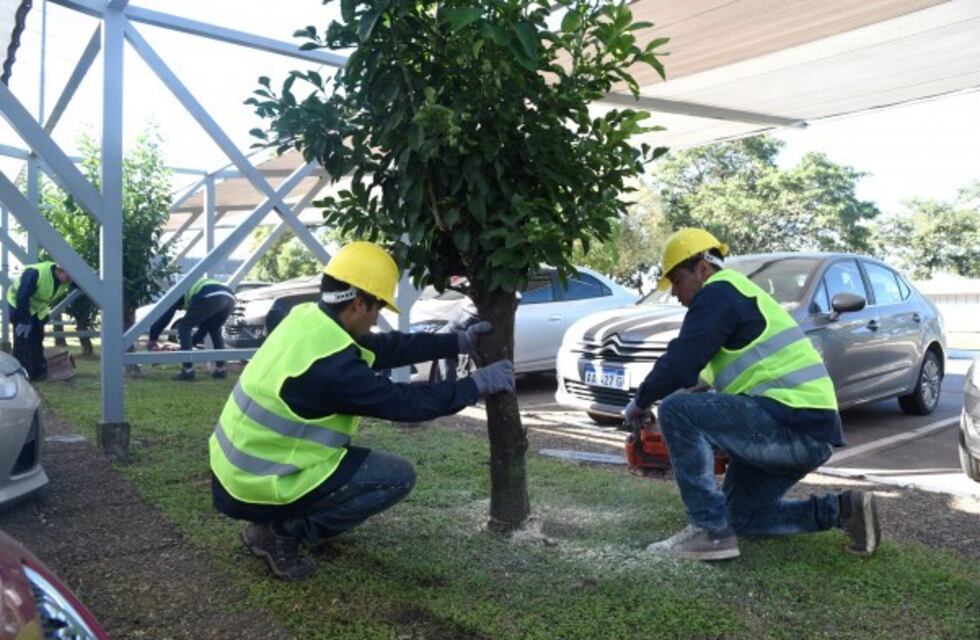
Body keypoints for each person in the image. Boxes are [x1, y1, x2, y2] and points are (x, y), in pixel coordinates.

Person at [209, 241, 515, 581]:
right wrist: (475, 385)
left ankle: (275, 521)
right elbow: (406, 403)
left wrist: (454, 341)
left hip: (234, 473)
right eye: (377, 309)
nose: (375, 320)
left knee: (360, 467)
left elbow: (384, 347)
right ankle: (281, 532)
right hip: (257, 483)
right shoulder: (332, 369)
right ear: (358, 303)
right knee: (394, 478)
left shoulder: (308, 320)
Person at [624, 228, 880, 561]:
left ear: (702, 268)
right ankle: (842, 511)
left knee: (677, 410)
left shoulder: (718, 292)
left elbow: (681, 361)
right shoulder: (737, 297)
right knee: (741, 518)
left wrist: (639, 402)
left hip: (790, 423)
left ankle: (707, 532)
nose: (674, 293)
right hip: (807, 431)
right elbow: (694, 380)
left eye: (676, 280)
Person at [148, 276, 236, 381]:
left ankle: (188, 371)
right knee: (214, 329)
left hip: (209, 295)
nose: (180, 309)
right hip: (230, 298)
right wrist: (189, 344)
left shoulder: (177, 292)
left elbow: (166, 317)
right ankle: (220, 369)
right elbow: (202, 330)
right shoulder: (192, 285)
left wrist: (153, 337)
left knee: (184, 326)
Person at [5, 261, 72, 380]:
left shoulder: (67, 278)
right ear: (59, 271)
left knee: (37, 338)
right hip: (18, 305)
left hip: (37, 310)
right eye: (68, 276)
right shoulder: (35, 273)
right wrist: (24, 320)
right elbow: (22, 296)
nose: (69, 280)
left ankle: (38, 373)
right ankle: (21, 374)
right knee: (22, 341)